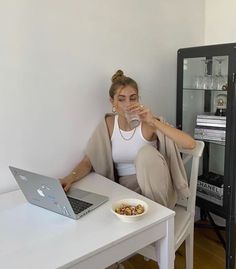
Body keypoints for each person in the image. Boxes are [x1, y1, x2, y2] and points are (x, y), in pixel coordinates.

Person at [60, 70, 196, 209]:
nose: (128, 104)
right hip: (126, 193)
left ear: (138, 100)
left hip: (158, 194)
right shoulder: (108, 124)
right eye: (121, 99)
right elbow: (88, 161)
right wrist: (69, 178)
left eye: (132, 98)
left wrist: (154, 122)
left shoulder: (149, 123)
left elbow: (190, 144)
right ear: (112, 102)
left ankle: (159, 218)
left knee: (145, 154)